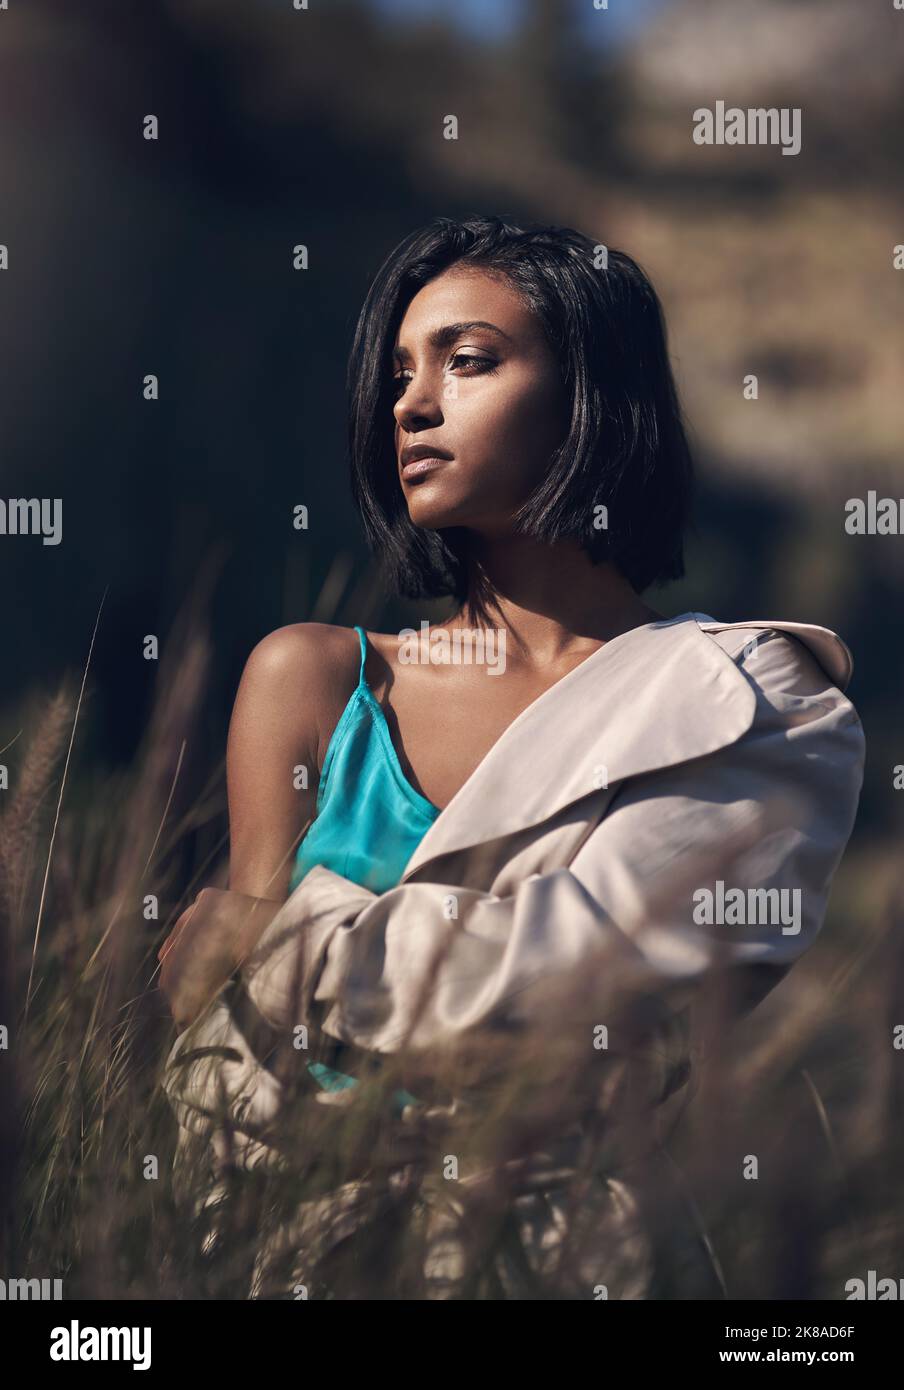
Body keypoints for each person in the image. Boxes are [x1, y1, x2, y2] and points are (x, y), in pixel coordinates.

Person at [158, 216, 865, 1299]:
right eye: (399, 372)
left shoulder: (753, 698)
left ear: (590, 395)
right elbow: (220, 1037)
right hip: (266, 1249)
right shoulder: (316, 679)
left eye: (469, 359)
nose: (411, 401)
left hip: (552, 1262)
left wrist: (292, 950)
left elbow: (601, 969)